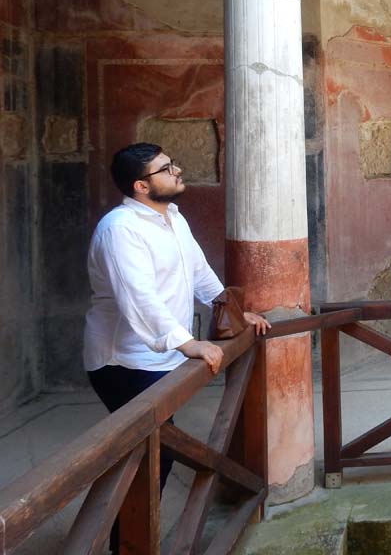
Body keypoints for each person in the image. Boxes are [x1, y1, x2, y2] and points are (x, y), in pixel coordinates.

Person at [83, 143, 270, 547]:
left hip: (158, 356)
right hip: (124, 362)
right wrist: (189, 344)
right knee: (154, 454)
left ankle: (114, 538)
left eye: (173, 163)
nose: (178, 170)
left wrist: (234, 313)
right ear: (140, 186)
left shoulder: (173, 218)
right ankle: (120, 543)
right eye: (166, 168)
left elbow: (200, 274)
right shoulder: (120, 230)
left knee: (149, 451)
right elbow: (139, 298)